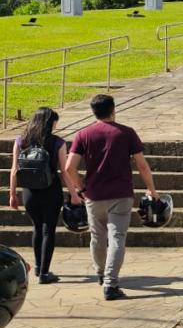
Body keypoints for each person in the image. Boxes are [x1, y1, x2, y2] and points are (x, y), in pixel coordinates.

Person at [64, 94, 160, 300]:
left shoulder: (83, 134)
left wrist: (80, 188)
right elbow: (141, 165)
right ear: (113, 109)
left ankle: (101, 274)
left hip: (94, 194)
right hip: (121, 194)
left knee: (97, 237)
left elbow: (69, 167)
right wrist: (151, 189)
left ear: (94, 111)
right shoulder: (126, 133)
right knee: (117, 238)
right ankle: (110, 283)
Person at [7, 106, 82, 284]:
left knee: (37, 228)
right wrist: (74, 194)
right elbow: (64, 171)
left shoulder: (20, 140)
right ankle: (45, 273)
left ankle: (39, 268)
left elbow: (14, 170)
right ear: (50, 122)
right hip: (51, 190)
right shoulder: (58, 142)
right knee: (49, 230)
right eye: (55, 122)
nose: (56, 126)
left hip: (29, 192)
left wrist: (12, 194)